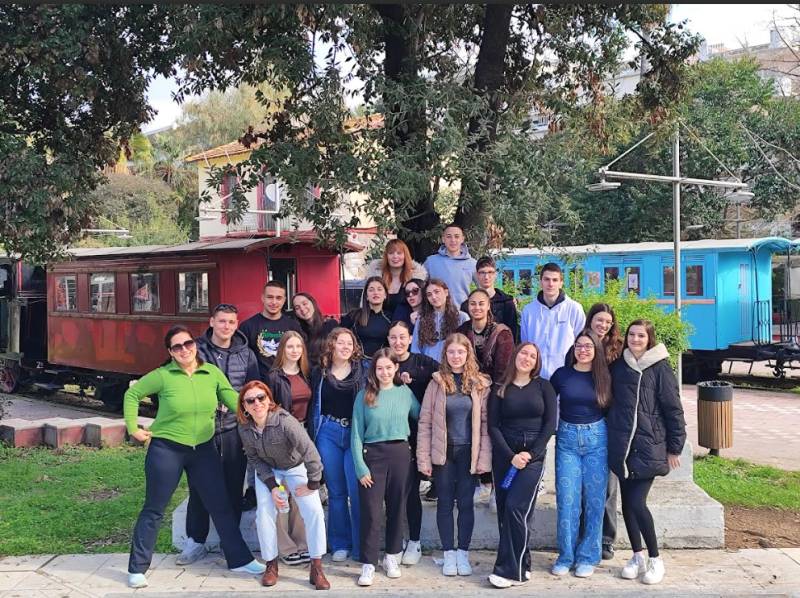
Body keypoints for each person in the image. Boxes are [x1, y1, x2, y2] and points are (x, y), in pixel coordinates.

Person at [123, 325, 264, 589]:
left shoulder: (211, 373)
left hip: (203, 449)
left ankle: (239, 560)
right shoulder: (163, 375)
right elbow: (132, 394)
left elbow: (232, 398)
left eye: (188, 344)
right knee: (154, 509)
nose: (184, 350)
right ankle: (137, 568)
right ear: (170, 352)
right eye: (177, 347)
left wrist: (256, 411)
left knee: (220, 505)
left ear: (195, 345)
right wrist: (133, 427)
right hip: (167, 449)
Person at [177, 304, 260, 566]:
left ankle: (230, 542)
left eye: (231, 322)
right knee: (199, 487)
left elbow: (253, 389)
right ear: (212, 321)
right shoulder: (196, 351)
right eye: (222, 321)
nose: (226, 326)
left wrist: (241, 409)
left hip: (234, 429)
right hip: (202, 430)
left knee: (234, 487)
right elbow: (183, 383)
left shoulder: (246, 354)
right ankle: (195, 541)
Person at [608, 320, 686, 585]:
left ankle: (655, 559)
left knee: (637, 503)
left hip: (649, 446)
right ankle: (637, 556)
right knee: (627, 505)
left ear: (649, 339)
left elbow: (673, 410)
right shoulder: (619, 366)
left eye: (641, 335)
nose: (635, 339)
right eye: (631, 334)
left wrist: (675, 447)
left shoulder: (660, 368)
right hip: (623, 447)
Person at [237, 380, 330, 590]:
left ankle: (316, 567)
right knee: (264, 512)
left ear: (269, 399)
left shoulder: (285, 422)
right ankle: (271, 564)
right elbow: (253, 458)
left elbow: (310, 451)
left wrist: (313, 483)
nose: (257, 403)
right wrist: (272, 486)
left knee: (314, 510)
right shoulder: (245, 428)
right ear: (244, 406)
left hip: (295, 467)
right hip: (269, 471)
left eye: (261, 397)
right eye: (250, 400)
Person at [417, 333, 492, 577]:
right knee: (445, 503)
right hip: (444, 453)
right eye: (451, 352)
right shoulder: (436, 383)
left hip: (468, 452)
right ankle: (449, 553)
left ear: (468, 354)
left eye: (461, 352)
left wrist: (484, 459)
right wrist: (424, 459)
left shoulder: (479, 384)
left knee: (466, 503)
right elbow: (425, 422)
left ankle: (463, 554)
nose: (456, 356)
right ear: (445, 354)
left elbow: (485, 424)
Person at [487, 343, 557, 588]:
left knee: (516, 507)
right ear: (515, 356)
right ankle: (523, 563)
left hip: (532, 459)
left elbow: (550, 424)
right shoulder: (499, 387)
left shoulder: (544, 386)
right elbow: (492, 426)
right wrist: (510, 456)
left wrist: (531, 453)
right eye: (523, 353)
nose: (527, 358)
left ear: (537, 362)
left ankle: (510, 571)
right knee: (505, 510)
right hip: (504, 457)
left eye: (532, 356)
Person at [351, 349, 421, 586]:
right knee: (371, 511)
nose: (384, 372)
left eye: (389, 367)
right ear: (374, 370)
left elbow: (422, 415)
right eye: (379, 368)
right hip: (373, 456)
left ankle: (391, 556)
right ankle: (368, 563)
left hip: (400, 454)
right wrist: (360, 467)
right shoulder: (364, 395)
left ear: (396, 368)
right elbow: (356, 434)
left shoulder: (405, 393)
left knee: (397, 508)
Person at [549, 330, 611, 579]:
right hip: (567, 440)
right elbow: (544, 401)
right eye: (579, 345)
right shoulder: (562, 375)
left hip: (597, 439)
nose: (583, 350)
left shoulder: (604, 376)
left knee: (595, 501)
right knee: (568, 500)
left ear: (596, 350)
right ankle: (566, 555)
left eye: (588, 346)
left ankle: (588, 556)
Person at [309, 327, 367, 563]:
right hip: (328, 432)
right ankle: (339, 543)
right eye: (341, 342)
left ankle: (360, 546)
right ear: (331, 345)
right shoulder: (319, 372)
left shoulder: (363, 370)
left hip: (354, 433)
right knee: (336, 492)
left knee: (356, 490)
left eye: (349, 343)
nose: (345, 347)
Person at [387, 320, 439, 565]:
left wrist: (415, 378)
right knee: (392, 493)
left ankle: (414, 541)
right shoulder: (384, 361)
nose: (398, 342)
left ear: (410, 339)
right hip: (390, 436)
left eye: (402, 337)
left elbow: (443, 375)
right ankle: (394, 542)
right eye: (393, 337)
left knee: (410, 491)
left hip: (417, 436)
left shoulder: (422, 362)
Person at [267, 331, 313, 566]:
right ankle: (285, 547)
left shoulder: (307, 374)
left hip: (304, 434)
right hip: (283, 438)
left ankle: (302, 543)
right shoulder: (274, 377)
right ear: (282, 349)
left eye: (298, 346)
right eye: (290, 347)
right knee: (282, 493)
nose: (294, 351)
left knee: (300, 491)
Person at [585, 302, 624, 560]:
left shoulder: (618, 349)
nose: (603, 325)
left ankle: (606, 538)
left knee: (609, 484)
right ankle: (585, 535)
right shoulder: (581, 344)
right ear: (591, 320)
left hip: (610, 421)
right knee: (585, 485)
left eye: (608, 322)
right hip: (585, 420)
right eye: (599, 320)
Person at [520, 263, 585, 379]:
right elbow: (525, 344)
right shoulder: (529, 311)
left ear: (561, 283)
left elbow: (581, 342)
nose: (550, 284)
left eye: (555, 280)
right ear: (540, 282)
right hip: (536, 376)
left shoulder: (574, 308)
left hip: (566, 376)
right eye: (546, 279)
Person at [239, 280, 305, 379]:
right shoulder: (247, 326)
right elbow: (241, 360)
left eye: (278, 298)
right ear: (263, 298)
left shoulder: (293, 326)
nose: (274, 302)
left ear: (284, 300)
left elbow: (302, 356)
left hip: (288, 381)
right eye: (270, 297)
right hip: (260, 383)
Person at [457, 289, 515, 382]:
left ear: (488, 306)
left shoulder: (502, 334)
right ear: (468, 306)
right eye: (472, 304)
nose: (477, 307)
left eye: (481, 304)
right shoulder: (461, 331)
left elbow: (503, 371)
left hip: (495, 384)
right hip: (466, 383)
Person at [460, 257, 518, 340]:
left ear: (495, 275)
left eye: (490, 272)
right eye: (482, 272)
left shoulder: (507, 303)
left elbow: (513, 335)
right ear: (477, 275)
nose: (486, 277)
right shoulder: (467, 305)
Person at [411, 279, 469, 362]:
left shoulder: (461, 317)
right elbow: (415, 348)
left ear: (446, 292)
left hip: (453, 365)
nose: (433, 297)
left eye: (437, 292)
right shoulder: (421, 318)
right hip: (427, 366)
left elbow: (467, 347)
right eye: (429, 295)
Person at [364, 239, 427, 315]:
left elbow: (423, 306)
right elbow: (365, 303)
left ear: (405, 255)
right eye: (391, 253)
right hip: (379, 320)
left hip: (407, 321)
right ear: (386, 256)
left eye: (399, 253)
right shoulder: (376, 276)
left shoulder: (416, 279)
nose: (395, 256)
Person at [423, 223, 477, 308]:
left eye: (456, 236)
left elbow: (483, 288)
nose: (453, 240)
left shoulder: (472, 263)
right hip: (437, 312)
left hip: (462, 312)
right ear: (443, 239)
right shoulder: (431, 262)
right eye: (449, 236)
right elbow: (419, 286)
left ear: (462, 239)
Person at [341, 276, 392, 356]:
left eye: (379, 289)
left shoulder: (391, 317)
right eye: (371, 290)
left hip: (382, 361)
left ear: (385, 295)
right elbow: (338, 335)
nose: (375, 293)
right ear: (366, 296)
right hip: (357, 361)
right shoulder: (354, 315)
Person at [292, 292, 339, 368]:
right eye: (297, 308)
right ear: (295, 313)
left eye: (304, 304)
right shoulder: (298, 331)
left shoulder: (331, 325)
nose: (302, 309)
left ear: (313, 303)